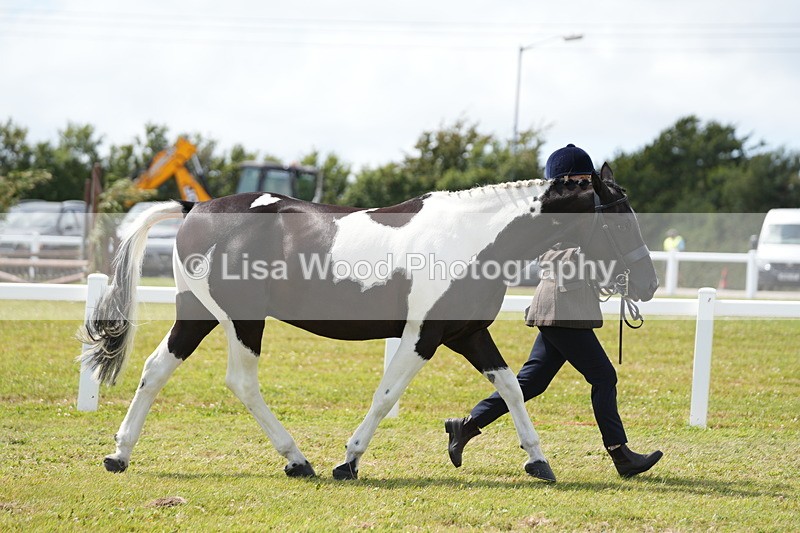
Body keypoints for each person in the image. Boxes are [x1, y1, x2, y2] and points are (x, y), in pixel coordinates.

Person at [444, 144, 663, 479]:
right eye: (579, 179)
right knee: (603, 377)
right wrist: (593, 260)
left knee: (531, 382)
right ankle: (621, 454)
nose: (586, 185)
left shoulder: (585, 216)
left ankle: (466, 426)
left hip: (570, 306)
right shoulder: (554, 216)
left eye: (588, 179)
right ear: (564, 181)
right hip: (560, 306)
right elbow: (550, 258)